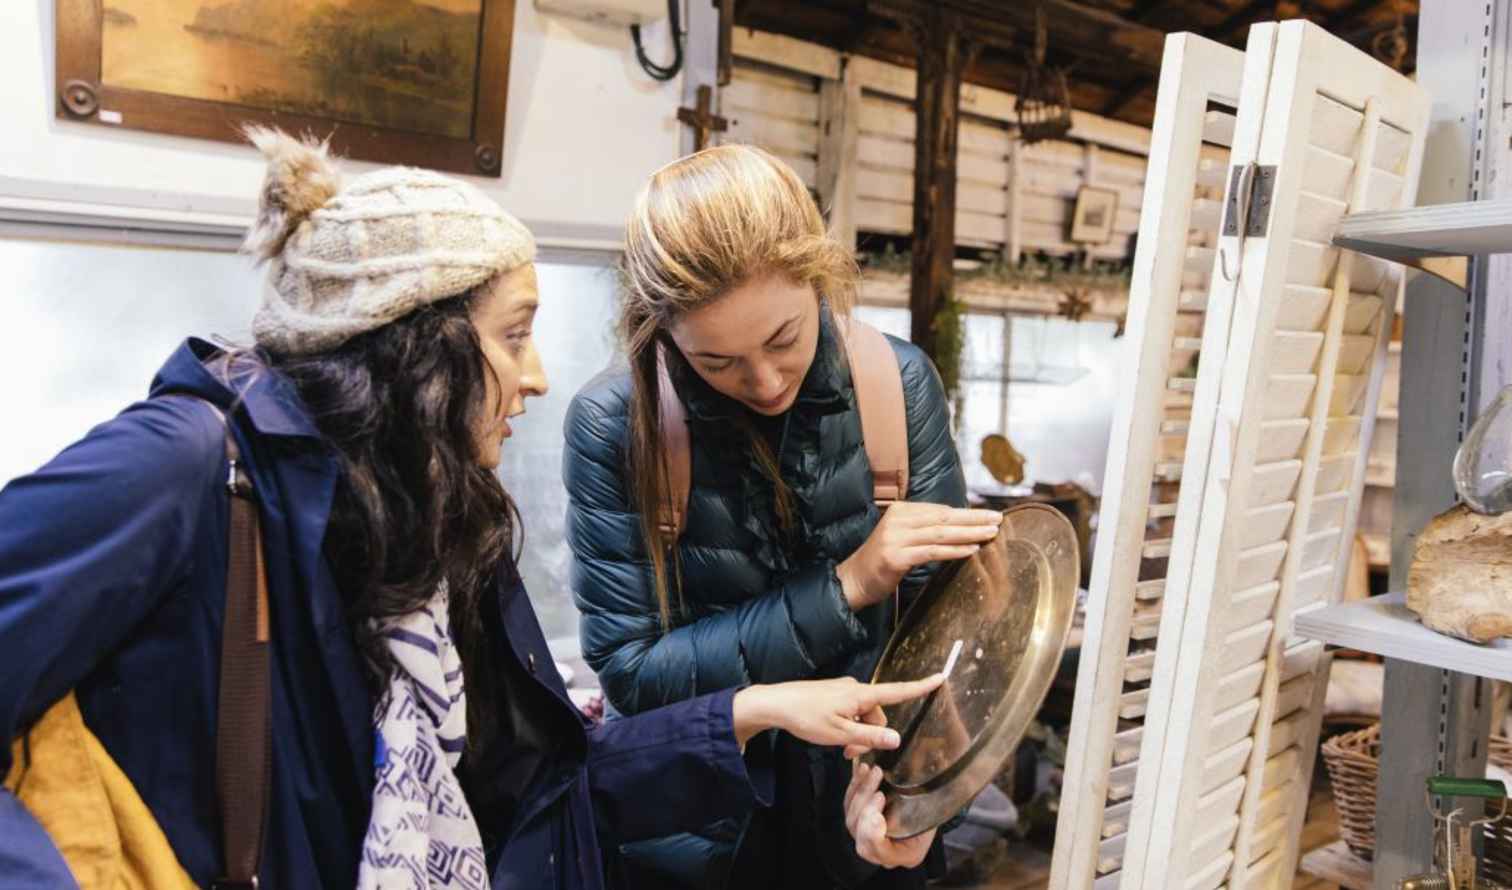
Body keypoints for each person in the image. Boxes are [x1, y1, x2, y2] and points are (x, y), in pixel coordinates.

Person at [0, 130, 946, 889]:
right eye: (514, 334)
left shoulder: (436, 526)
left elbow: (540, 788)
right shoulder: (184, 462)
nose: (535, 377)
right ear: (417, 343)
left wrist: (746, 711)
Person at [563, 145, 1004, 889]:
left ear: (820, 279)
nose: (763, 382)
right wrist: (849, 586)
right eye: (717, 362)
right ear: (660, 331)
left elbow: (957, 652)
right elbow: (635, 679)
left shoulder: (896, 387)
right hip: (695, 850)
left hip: (868, 825)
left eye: (784, 339)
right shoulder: (616, 425)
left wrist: (919, 813)